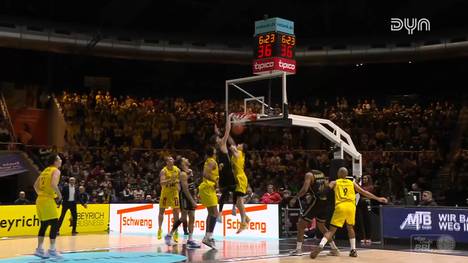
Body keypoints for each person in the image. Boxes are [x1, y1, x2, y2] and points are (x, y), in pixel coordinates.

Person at [310, 168, 387, 259]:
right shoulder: (352, 183)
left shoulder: (334, 182)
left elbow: (324, 192)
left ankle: (321, 245)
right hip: (351, 207)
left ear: (338, 174)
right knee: (350, 228)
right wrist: (378, 198)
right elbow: (364, 192)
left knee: (331, 231)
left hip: (341, 206)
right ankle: (353, 250)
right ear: (346, 175)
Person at [288, 170, 340, 256]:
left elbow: (305, 189)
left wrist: (295, 198)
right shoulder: (321, 173)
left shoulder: (309, 175)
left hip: (316, 202)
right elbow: (325, 186)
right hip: (324, 201)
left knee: (301, 225)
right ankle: (334, 249)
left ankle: (298, 250)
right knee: (322, 227)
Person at [165, 157, 200, 248]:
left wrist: (195, 196)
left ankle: (190, 239)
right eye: (185, 159)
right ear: (181, 164)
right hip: (185, 197)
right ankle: (169, 235)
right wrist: (192, 201)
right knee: (184, 217)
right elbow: (185, 190)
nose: (187, 159)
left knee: (192, 217)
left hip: (191, 195)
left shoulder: (190, 171)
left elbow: (192, 186)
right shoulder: (183, 174)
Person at [33, 153, 63, 259]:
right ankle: (52, 250)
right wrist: (59, 196)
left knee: (44, 224)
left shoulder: (45, 171)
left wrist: (41, 194)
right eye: (59, 159)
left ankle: (39, 250)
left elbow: (35, 186)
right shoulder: (56, 170)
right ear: (55, 161)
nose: (61, 160)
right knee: (54, 224)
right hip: (48, 200)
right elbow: (53, 185)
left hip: (40, 200)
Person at [213, 115, 237, 221]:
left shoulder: (222, 144)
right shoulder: (218, 147)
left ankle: (231, 208)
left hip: (226, 171)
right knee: (227, 192)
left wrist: (229, 118)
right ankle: (225, 211)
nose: (219, 138)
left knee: (232, 191)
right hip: (224, 173)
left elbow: (227, 129)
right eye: (218, 138)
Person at [199, 146, 220, 249]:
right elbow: (205, 174)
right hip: (207, 187)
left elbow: (210, 172)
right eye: (215, 151)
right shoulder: (212, 161)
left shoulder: (210, 161)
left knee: (211, 213)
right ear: (213, 152)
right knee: (215, 213)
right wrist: (215, 181)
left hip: (208, 188)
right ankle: (209, 237)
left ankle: (207, 237)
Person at [157, 156, 181, 243]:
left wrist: (178, 187)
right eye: (170, 159)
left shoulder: (177, 170)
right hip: (165, 193)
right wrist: (171, 180)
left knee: (176, 213)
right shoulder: (163, 171)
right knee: (161, 212)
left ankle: (176, 232)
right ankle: (159, 229)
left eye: (172, 159)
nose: (172, 160)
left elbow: (179, 181)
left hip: (174, 193)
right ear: (167, 162)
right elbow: (162, 182)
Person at [230, 142, 251, 234]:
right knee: (238, 203)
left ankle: (243, 223)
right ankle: (246, 217)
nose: (238, 144)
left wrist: (226, 132)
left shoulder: (239, 153)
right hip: (237, 179)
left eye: (240, 144)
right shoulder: (239, 153)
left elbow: (231, 147)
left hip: (240, 179)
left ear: (242, 148)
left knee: (240, 200)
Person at [356, 175, 374, 245]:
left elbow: (363, 191)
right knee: (360, 221)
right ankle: (362, 237)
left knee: (367, 221)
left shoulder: (371, 186)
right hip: (360, 204)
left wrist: (357, 184)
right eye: (363, 178)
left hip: (367, 204)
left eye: (365, 178)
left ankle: (368, 237)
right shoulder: (360, 186)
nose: (364, 179)